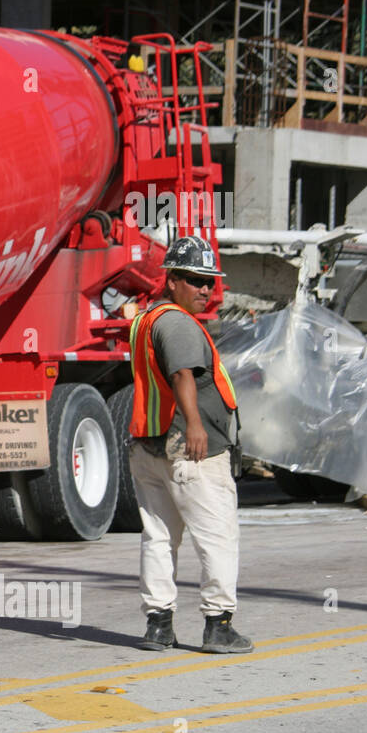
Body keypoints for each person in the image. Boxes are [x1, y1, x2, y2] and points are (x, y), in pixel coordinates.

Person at [128, 235, 252, 654]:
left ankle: (158, 625)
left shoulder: (146, 319)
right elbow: (182, 374)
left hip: (151, 447)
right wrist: (196, 425)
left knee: (159, 537)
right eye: (196, 281)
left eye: (209, 282)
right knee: (216, 536)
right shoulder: (177, 323)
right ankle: (219, 624)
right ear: (172, 281)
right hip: (189, 451)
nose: (205, 290)